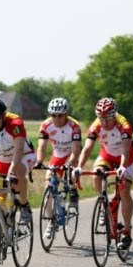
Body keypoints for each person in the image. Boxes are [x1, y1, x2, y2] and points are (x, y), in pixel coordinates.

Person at [73, 97, 133, 250]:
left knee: (124, 190)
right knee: (96, 174)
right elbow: (87, 148)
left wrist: (122, 166)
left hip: (126, 156)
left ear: (114, 115)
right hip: (107, 154)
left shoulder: (124, 124)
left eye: (108, 119)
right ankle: (104, 206)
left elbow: (126, 150)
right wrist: (79, 167)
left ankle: (127, 231)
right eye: (101, 119)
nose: (105, 123)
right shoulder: (96, 126)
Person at [35, 97, 82, 239]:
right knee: (48, 189)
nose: (57, 118)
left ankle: (73, 193)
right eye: (53, 115)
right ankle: (52, 221)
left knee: (71, 173)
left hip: (70, 155)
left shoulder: (74, 126)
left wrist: (70, 163)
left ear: (66, 114)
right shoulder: (45, 125)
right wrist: (39, 161)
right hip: (57, 155)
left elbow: (76, 150)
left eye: (60, 115)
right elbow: (42, 146)